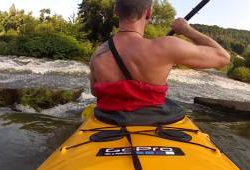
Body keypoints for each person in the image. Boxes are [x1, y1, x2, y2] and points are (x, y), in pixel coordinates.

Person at [89, 0, 230, 125]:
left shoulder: (98, 54)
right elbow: (223, 57)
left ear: (116, 10)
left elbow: (95, 92)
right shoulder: (166, 47)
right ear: (148, 12)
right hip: (152, 123)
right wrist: (186, 30)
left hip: (108, 120)